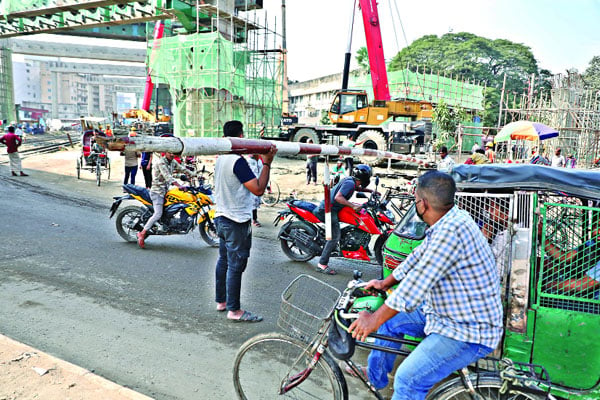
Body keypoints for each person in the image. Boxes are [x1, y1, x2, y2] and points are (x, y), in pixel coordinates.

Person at [347, 171, 503, 400]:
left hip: (467, 330)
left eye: (416, 199)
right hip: (449, 313)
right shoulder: (450, 218)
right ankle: (375, 378)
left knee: (408, 381)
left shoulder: (449, 234)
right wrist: (384, 282)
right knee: (390, 323)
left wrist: (372, 319)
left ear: (423, 204)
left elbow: (412, 290)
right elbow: (417, 257)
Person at [213, 120, 277, 322]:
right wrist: (266, 163)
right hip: (235, 221)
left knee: (224, 261)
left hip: (222, 217)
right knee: (235, 265)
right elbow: (258, 189)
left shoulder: (221, 158)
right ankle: (234, 310)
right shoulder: (237, 161)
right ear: (241, 138)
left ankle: (221, 301)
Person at [313, 164, 374, 275]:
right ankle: (322, 265)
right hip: (329, 210)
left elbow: (357, 188)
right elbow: (338, 197)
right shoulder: (350, 183)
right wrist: (352, 205)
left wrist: (370, 191)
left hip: (332, 207)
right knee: (334, 237)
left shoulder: (350, 180)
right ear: (364, 178)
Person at [136, 150, 189, 249]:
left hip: (165, 191)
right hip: (157, 192)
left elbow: (181, 168)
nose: (172, 154)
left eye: (174, 153)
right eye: (170, 153)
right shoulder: (161, 162)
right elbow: (168, 177)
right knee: (158, 214)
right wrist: (179, 185)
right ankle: (142, 233)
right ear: (165, 153)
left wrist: (193, 174)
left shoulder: (172, 162)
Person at [246, 154, 264, 227]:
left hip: (257, 184)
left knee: (255, 203)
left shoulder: (259, 161)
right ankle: (253, 219)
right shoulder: (247, 161)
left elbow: (261, 172)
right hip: (250, 184)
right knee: (251, 202)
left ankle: (253, 219)